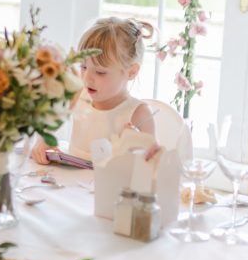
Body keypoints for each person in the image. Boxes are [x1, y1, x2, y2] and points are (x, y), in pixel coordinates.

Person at [31, 17, 157, 164]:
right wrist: (43, 141)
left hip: (110, 186)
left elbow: (152, 167)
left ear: (131, 72)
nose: (87, 78)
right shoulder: (79, 94)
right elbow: (50, 120)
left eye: (100, 72)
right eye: (83, 67)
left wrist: (135, 148)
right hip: (70, 184)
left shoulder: (139, 114)